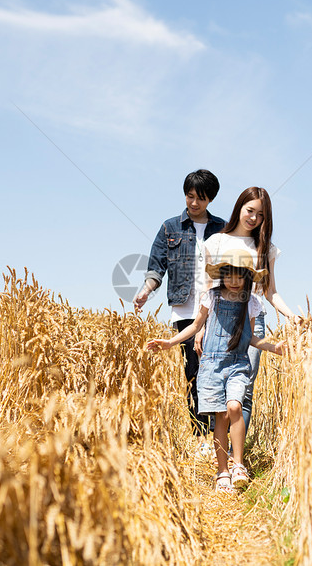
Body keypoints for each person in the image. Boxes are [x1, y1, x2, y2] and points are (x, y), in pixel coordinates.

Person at [146, 249, 286, 492]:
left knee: (234, 406)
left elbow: (251, 338)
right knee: (219, 416)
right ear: (221, 275)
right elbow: (196, 326)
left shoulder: (252, 302)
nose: (233, 281)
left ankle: (238, 465)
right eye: (228, 276)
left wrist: (274, 347)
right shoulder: (210, 297)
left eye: (238, 276)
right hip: (211, 365)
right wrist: (170, 342)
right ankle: (222, 471)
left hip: (237, 363)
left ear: (247, 277)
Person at [133, 169, 225, 456]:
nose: (194, 203)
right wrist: (147, 290)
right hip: (185, 308)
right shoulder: (170, 227)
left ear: (210, 199)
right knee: (193, 371)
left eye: (201, 198)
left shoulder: (222, 228)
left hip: (216, 307)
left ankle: (218, 436)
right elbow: (156, 265)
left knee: (216, 370)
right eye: (190, 196)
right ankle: (201, 438)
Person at [200, 187, 302, 437]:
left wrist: (291, 315)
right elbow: (205, 288)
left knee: (243, 389)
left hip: (252, 319)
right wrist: (200, 328)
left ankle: (238, 459)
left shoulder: (265, 247)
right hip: (217, 321)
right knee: (217, 392)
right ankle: (219, 454)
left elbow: (270, 292)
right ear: (239, 208)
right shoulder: (216, 241)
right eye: (250, 210)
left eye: (261, 214)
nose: (254, 218)